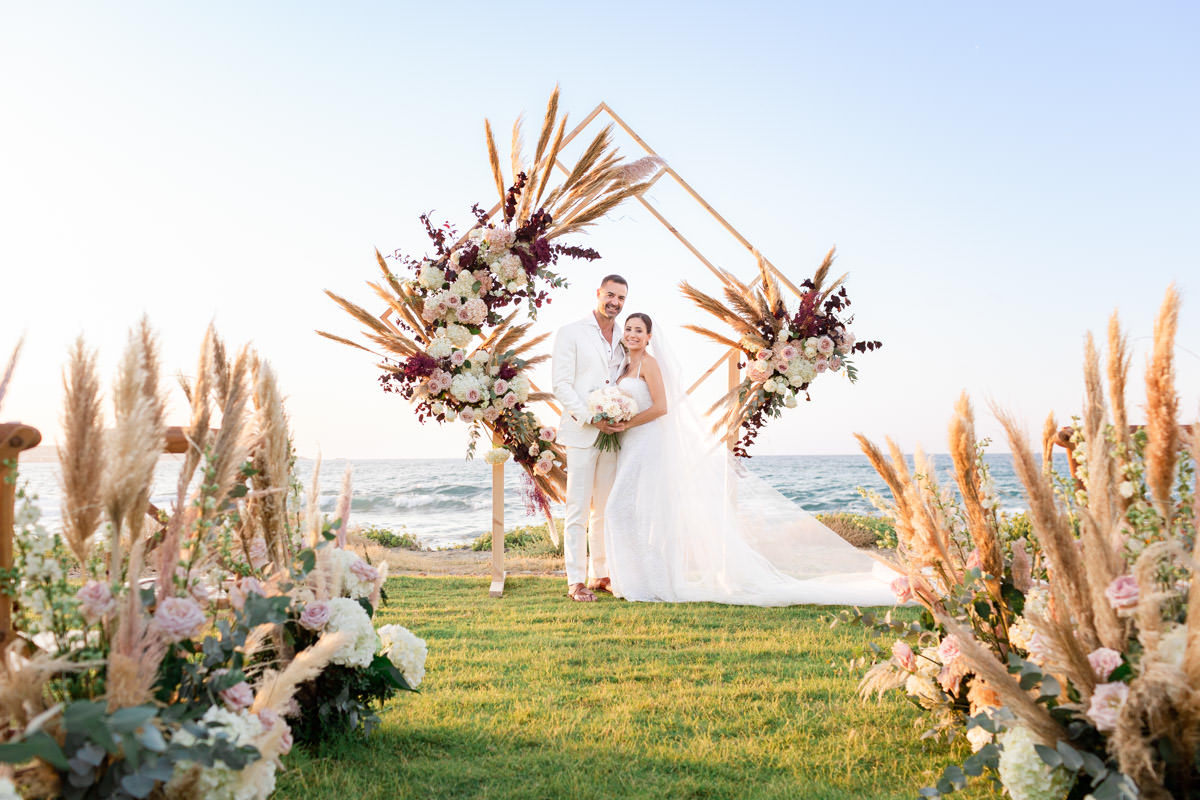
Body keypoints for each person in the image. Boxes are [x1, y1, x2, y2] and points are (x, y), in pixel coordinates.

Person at [602, 312, 897, 606]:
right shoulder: (626, 365)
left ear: (649, 336)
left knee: (621, 509)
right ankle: (638, 582)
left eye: (639, 330)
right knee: (631, 512)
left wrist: (627, 423)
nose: (632, 334)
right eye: (628, 329)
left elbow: (662, 407)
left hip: (646, 444)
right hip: (629, 444)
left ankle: (649, 584)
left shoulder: (649, 364)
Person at [551, 275, 629, 602]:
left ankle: (601, 573)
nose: (615, 302)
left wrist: (620, 414)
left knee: (604, 508)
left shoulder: (626, 336)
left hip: (612, 435)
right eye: (610, 295)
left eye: (621, 298)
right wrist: (591, 416)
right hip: (583, 431)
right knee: (578, 508)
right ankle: (575, 581)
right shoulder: (571, 332)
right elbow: (561, 385)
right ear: (598, 293)